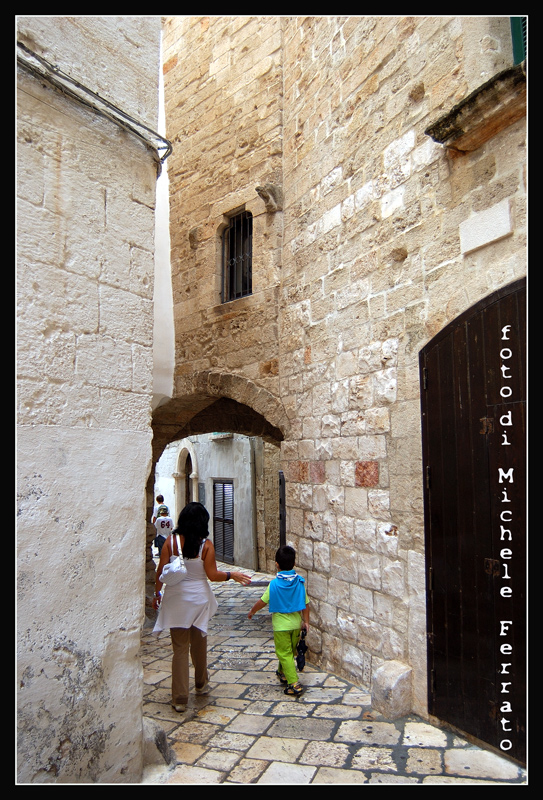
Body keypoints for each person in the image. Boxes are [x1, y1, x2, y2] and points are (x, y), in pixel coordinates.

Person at [152, 502, 251, 712]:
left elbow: (161, 571)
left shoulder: (171, 542)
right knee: (199, 644)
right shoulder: (206, 545)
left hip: (176, 599)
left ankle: (179, 699)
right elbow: (213, 576)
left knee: (179, 648)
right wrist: (231, 575)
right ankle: (201, 684)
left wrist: (156, 594)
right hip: (199, 600)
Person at [248, 545, 309, 697]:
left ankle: (294, 683)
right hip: (296, 624)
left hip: (281, 627)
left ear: (276, 564)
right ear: (294, 564)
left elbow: (263, 601)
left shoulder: (274, 585)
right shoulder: (299, 583)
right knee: (289, 651)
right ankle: (282, 672)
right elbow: (306, 604)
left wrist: (252, 611)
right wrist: (306, 621)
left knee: (284, 653)